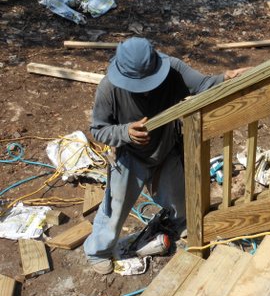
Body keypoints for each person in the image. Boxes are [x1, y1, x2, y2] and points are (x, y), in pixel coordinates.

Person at [84, 37, 249, 274]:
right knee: (115, 207)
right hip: (130, 156)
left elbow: (203, 85)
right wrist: (125, 132)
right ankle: (97, 251)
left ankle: (180, 223)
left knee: (179, 198)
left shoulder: (173, 69)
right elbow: (98, 129)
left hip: (165, 147)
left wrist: (226, 78)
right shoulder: (108, 87)